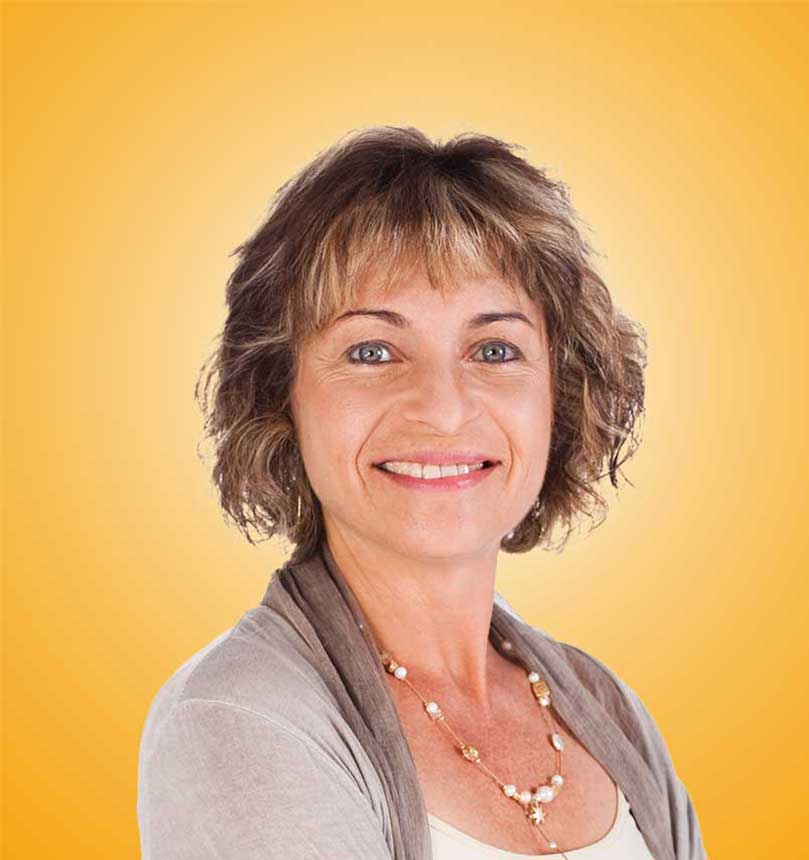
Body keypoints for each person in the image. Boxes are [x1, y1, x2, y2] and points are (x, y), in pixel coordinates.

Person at [136, 126, 706, 860]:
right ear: (281, 395)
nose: (441, 407)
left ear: (560, 396)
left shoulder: (606, 710)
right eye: (372, 351)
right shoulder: (240, 720)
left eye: (494, 349)